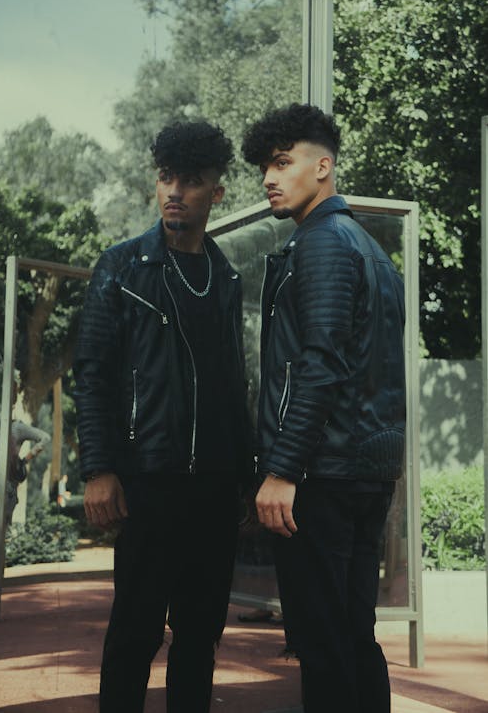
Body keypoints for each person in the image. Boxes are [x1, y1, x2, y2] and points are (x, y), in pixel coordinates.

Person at [73, 121, 252, 713]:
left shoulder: (225, 279)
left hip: (215, 488)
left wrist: (245, 478)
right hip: (150, 481)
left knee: (201, 637)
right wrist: (99, 468)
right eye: (165, 178)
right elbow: (92, 373)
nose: (174, 191)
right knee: (135, 634)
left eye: (191, 181)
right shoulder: (123, 267)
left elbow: (233, 387)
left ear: (215, 194)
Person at [242, 102, 406, 713]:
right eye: (266, 166)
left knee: (323, 642)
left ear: (324, 166)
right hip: (363, 470)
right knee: (352, 635)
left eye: (283, 163)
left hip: (324, 474)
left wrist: (283, 469)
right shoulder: (366, 246)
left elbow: (320, 364)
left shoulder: (323, 244)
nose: (270, 177)